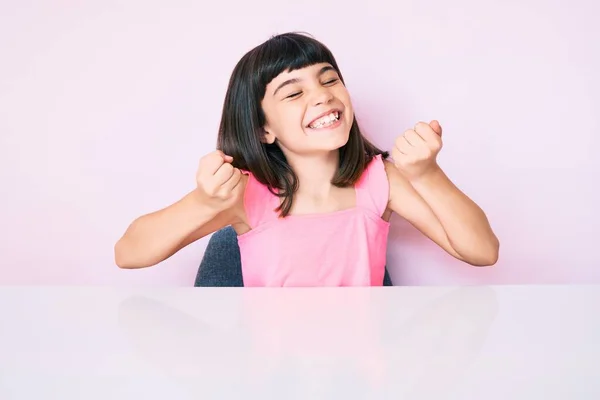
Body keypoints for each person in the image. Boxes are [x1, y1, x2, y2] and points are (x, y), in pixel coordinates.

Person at [114, 32, 499, 287]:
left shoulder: (381, 180)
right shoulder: (245, 193)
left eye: (329, 80)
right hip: (271, 374)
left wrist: (428, 175)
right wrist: (202, 202)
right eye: (293, 93)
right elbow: (129, 253)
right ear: (264, 129)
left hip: (362, 370)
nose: (322, 96)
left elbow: (482, 251)